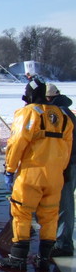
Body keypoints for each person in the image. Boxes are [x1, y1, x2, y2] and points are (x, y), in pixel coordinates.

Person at [0, 78, 73, 272]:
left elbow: (16, 143)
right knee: (49, 216)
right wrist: (60, 171)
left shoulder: (28, 113)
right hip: (55, 177)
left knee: (21, 213)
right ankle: (43, 258)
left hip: (31, 174)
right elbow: (67, 147)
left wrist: (10, 169)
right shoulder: (63, 115)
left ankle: (17, 258)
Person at [45, 83, 76, 257]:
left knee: (64, 202)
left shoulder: (60, 113)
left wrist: (64, 164)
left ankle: (64, 243)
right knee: (60, 201)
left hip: (68, 163)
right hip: (67, 162)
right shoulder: (61, 110)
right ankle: (58, 238)